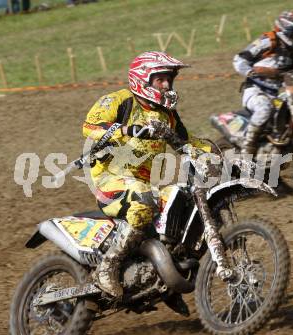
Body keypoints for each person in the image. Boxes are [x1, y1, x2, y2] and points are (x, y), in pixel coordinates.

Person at [82, 51, 212, 300]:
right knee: (142, 200)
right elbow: (90, 127)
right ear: (143, 79)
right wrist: (126, 130)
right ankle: (107, 268)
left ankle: (162, 276)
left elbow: (188, 142)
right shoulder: (120, 101)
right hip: (108, 180)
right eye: (160, 79)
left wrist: (218, 153)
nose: (166, 85)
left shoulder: (167, 115)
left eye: (169, 80)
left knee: (181, 203)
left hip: (143, 183)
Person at [233, 11, 293, 154]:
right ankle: (248, 147)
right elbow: (239, 60)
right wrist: (254, 72)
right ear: (284, 30)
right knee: (264, 108)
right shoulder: (268, 41)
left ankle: (281, 144)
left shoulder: (292, 52)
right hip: (255, 90)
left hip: (276, 93)